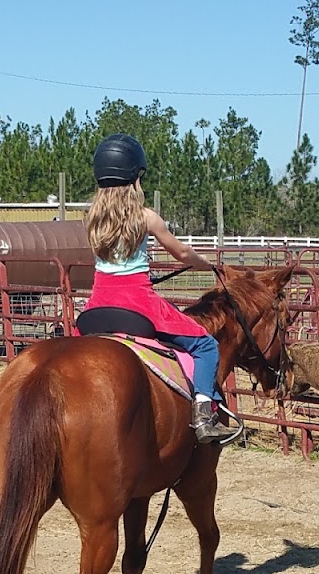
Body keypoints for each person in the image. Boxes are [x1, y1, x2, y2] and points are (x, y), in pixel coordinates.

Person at [83, 134, 242, 446]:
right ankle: (203, 414)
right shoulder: (146, 218)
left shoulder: (91, 218)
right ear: (135, 177)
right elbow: (182, 254)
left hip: (97, 307)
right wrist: (205, 264)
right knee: (206, 346)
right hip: (137, 305)